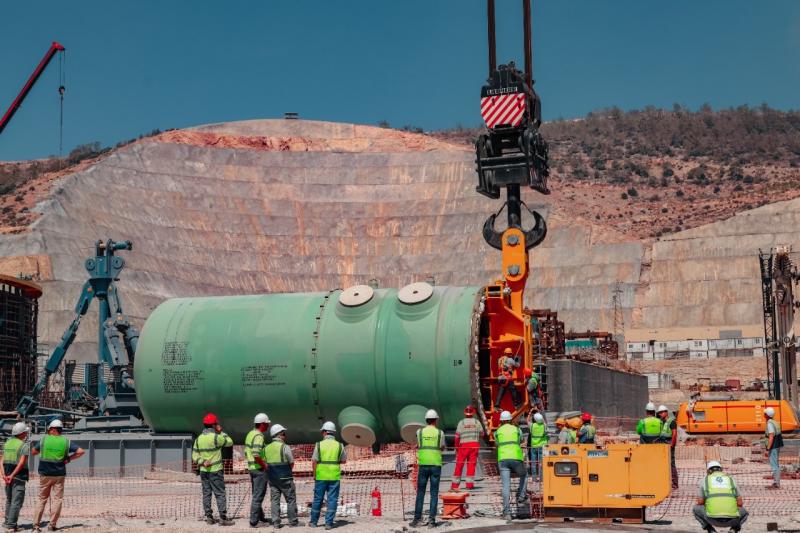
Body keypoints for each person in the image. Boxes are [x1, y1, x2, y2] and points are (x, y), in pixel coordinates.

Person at [31, 419, 85, 532]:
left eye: (49, 429)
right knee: (57, 499)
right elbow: (80, 451)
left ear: (53, 429)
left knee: (41, 499)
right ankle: (52, 525)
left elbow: (33, 452)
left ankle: (36, 526)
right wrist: (69, 459)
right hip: (59, 475)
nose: (48, 431)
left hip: (45, 474)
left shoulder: (44, 439)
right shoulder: (66, 441)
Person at [192, 413, 234, 526]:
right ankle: (222, 518)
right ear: (214, 425)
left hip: (204, 471)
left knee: (206, 494)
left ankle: (209, 518)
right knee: (220, 493)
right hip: (216, 470)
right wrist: (221, 432)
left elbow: (194, 455)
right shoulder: (216, 437)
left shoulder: (198, 439)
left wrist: (202, 462)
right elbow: (230, 442)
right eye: (216, 424)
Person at [411, 409, 445, 529]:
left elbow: (418, 444)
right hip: (435, 465)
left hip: (423, 465)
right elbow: (442, 447)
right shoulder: (440, 433)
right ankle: (431, 521)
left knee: (420, 493)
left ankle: (417, 519)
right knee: (434, 494)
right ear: (435, 420)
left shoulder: (419, 432)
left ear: (426, 420)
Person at [310, 421, 347, 530]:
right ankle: (329, 523)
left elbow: (314, 461)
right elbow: (344, 461)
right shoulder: (340, 445)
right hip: (334, 476)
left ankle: (313, 522)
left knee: (318, 499)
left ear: (325, 432)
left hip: (321, 475)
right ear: (333, 432)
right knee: (332, 500)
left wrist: (314, 475)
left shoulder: (319, 444)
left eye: (322, 431)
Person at [693, 461, 748, 533]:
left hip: (711, 519)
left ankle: (710, 530)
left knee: (696, 508)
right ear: (721, 469)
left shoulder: (705, 480)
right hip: (732, 520)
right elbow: (740, 503)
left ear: (709, 471)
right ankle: (734, 529)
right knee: (744, 512)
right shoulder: (731, 480)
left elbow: (700, 502)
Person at [495, 410, 528, 523]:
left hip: (503, 459)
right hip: (516, 458)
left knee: (506, 486)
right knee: (524, 474)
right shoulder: (517, 429)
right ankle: (521, 496)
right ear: (510, 419)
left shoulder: (497, 431)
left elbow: (497, 443)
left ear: (501, 420)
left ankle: (507, 513)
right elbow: (521, 441)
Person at [265, 424, 299, 528]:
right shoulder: (285, 447)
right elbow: (291, 462)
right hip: (285, 478)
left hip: (272, 479)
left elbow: (265, 463)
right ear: (279, 435)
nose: (285, 436)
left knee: (275, 501)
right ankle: (293, 522)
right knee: (290, 499)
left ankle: (276, 522)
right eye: (284, 434)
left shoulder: (266, 448)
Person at [3, 422, 31, 532]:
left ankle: (7, 522)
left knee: (9, 500)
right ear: (21, 433)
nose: (26, 434)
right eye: (25, 432)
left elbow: (2, 460)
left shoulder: (7, 443)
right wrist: (13, 475)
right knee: (16, 501)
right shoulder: (24, 445)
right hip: (18, 477)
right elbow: (22, 462)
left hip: (7, 476)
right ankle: (11, 526)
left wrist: (4, 475)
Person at [245, 412, 271, 528]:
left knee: (256, 494)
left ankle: (260, 517)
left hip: (252, 468)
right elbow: (256, 454)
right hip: (258, 469)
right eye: (267, 424)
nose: (268, 426)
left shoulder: (250, 434)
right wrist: (264, 465)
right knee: (258, 496)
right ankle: (254, 522)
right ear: (262, 424)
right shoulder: (259, 436)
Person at [451, 405, 484, 490]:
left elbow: (457, 437)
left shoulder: (461, 423)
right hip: (474, 446)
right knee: (471, 465)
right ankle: (469, 485)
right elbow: (482, 434)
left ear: (465, 413)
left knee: (459, 465)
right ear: (473, 413)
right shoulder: (477, 422)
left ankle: (455, 486)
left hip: (463, 446)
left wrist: (457, 448)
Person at [657, 405, 679, 489]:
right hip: (663, 444)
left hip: (669, 444)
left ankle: (675, 483)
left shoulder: (672, 421)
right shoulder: (662, 422)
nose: (660, 414)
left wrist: (672, 445)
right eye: (659, 413)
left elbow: (674, 434)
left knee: (671, 463)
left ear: (666, 412)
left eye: (662, 412)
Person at [764, 406, 783, 489]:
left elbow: (771, 436)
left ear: (767, 415)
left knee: (774, 465)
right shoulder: (774, 422)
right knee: (776, 464)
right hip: (777, 445)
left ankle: (776, 484)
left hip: (773, 446)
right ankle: (776, 482)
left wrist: (768, 448)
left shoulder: (769, 424)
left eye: (764, 413)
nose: (763, 414)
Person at [527, 412, 549, 482]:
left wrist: (530, 413)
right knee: (542, 462)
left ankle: (534, 478)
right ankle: (542, 478)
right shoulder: (544, 425)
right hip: (542, 446)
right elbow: (545, 421)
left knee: (533, 462)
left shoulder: (532, 426)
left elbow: (527, 420)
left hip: (533, 446)